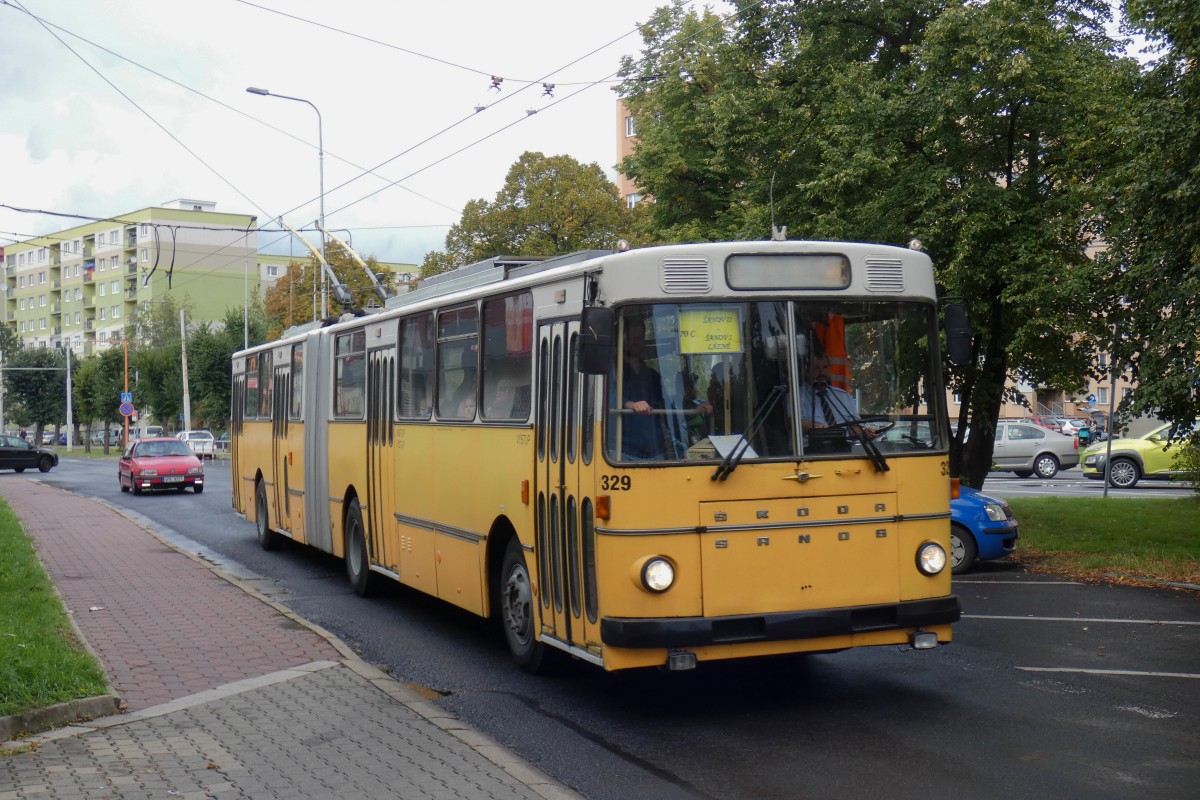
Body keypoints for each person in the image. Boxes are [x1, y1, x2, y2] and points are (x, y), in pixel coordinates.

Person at [614, 317, 669, 459]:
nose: (636, 342)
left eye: (639, 337)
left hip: (656, 450)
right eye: (632, 337)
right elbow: (604, 397)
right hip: (623, 453)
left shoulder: (652, 375)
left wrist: (696, 406)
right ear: (621, 339)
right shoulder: (611, 371)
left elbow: (666, 405)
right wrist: (629, 403)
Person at [796, 355, 874, 447]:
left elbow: (853, 428)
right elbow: (793, 423)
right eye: (816, 368)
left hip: (843, 451)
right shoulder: (797, 396)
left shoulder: (842, 396)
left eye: (825, 367)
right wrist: (816, 428)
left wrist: (863, 433)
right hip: (811, 453)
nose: (821, 373)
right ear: (806, 372)